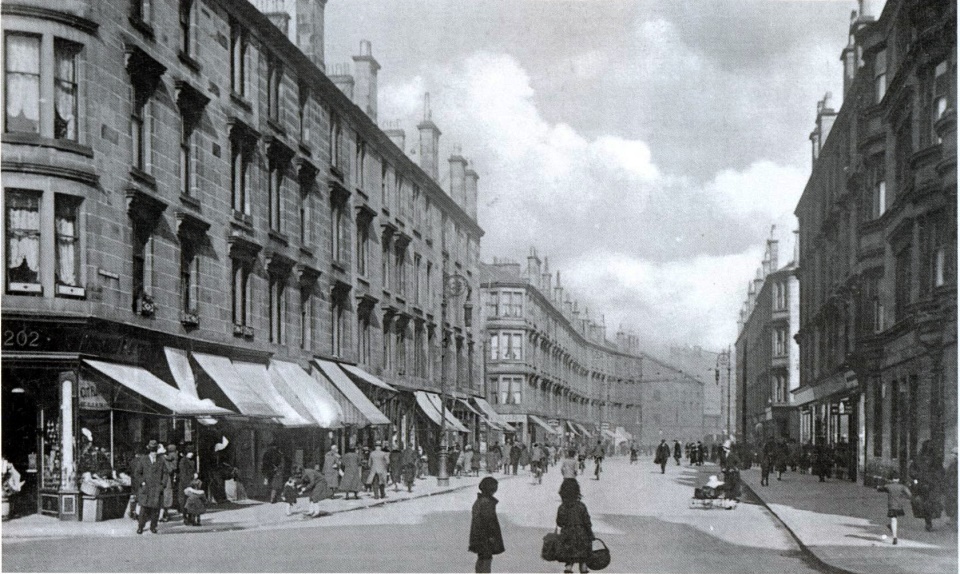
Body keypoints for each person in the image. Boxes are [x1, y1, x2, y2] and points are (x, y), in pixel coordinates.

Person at [556, 479, 594, 574]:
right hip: (582, 536)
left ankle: (568, 571)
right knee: (583, 560)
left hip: (568, 536)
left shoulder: (562, 507)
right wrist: (590, 534)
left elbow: (560, 523)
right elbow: (587, 522)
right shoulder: (581, 506)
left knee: (569, 560)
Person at [468, 477, 504, 573]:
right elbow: (489, 522)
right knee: (486, 560)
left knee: (482, 558)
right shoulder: (486, 503)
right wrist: (492, 536)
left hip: (479, 536)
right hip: (485, 537)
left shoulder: (480, 500)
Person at [133, 439, 168, 534]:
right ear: (149, 451)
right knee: (143, 509)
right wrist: (142, 483)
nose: (154, 453)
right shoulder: (143, 460)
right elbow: (137, 473)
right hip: (146, 489)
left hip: (157, 489)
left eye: (155, 451)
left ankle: (153, 526)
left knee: (155, 510)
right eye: (152, 451)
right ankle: (140, 526)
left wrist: (162, 485)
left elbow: (165, 473)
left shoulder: (161, 461)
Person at [878, 475, 912, 545]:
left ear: (892, 479)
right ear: (898, 479)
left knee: (893, 519)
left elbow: (879, 489)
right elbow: (909, 495)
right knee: (895, 519)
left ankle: (894, 537)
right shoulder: (902, 487)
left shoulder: (888, 486)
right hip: (899, 506)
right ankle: (893, 531)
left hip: (891, 506)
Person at [178, 447, 197, 519]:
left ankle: (190, 517)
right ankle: (185, 517)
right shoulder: (183, 461)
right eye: (190, 452)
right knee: (185, 501)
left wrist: (195, 473)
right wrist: (192, 476)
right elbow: (183, 474)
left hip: (190, 483)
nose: (192, 454)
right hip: (185, 484)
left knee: (190, 501)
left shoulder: (191, 461)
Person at [945, 447, 958, 526]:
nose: (954, 456)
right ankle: (952, 519)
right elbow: (948, 476)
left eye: (956, 454)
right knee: (951, 503)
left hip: (954, 487)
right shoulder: (951, 465)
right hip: (951, 487)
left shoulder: (954, 465)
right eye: (953, 453)